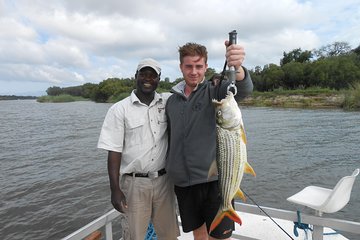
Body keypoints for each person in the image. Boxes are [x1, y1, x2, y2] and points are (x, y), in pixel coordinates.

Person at [165, 42, 253, 240]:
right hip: (184, 184)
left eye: (199, 66)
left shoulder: (215, 91)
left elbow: (243, 89)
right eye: (189, 66)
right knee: (199, 234)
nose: (194, 72)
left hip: (215, 182)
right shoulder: (171, 101)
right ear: (181, 67)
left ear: (206, 67)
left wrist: (237, 67)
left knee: (218, 237)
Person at [98, 58, 179, 240]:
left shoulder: (168, 101)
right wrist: (115, 189)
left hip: (165, 182)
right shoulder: (119, 109)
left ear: (159, 78)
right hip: (134, 184)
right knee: (135, 236)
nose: (147, 78)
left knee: (169, 235)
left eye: (152, 75)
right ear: (136, 76)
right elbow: (114, 151)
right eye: (143, 74)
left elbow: (190, 88)